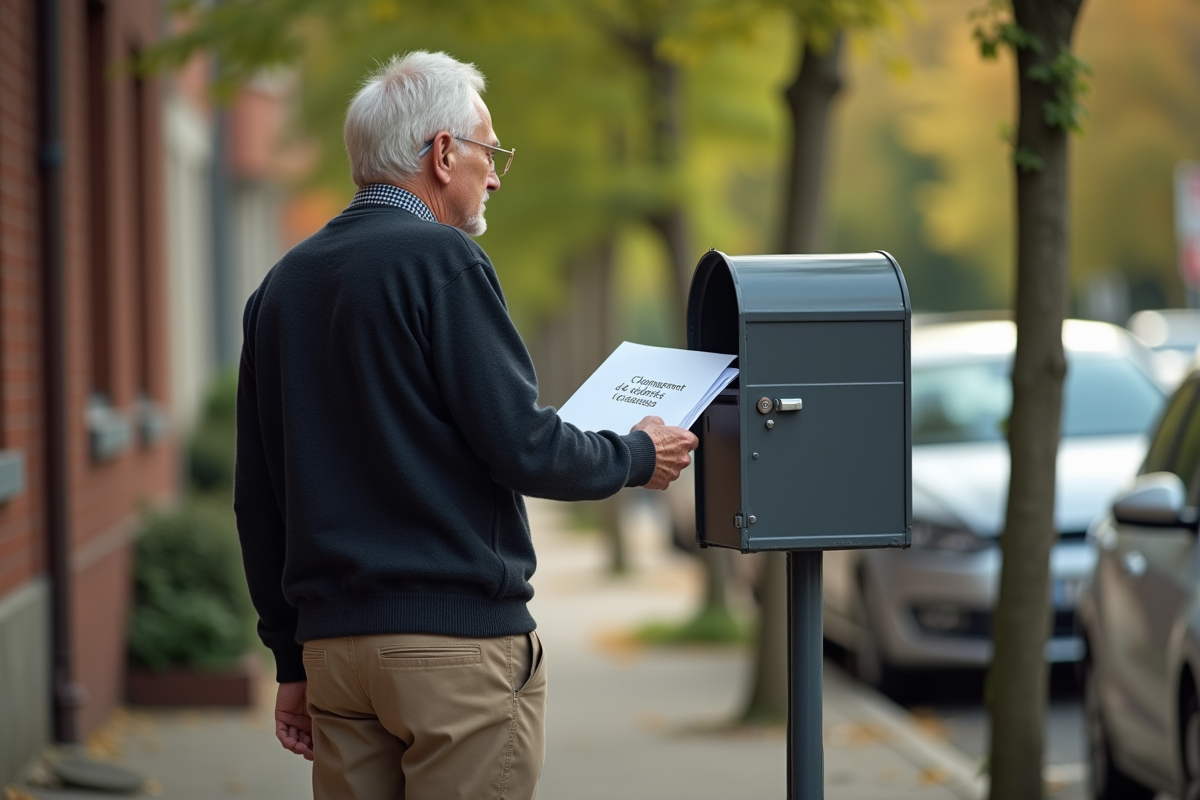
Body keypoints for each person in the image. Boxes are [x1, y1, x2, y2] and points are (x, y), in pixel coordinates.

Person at [233, 50, 698, 800]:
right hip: (454, 649)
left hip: (334, 655)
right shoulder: (443, 262)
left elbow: (257, 497)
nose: (496, 174)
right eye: (489, 151)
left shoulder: (281, 287)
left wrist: (289, 658)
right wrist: (637, 454)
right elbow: (523, 446)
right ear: (442, 152)